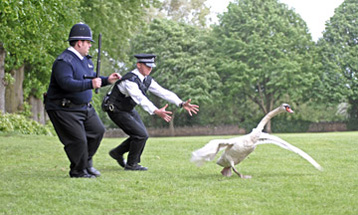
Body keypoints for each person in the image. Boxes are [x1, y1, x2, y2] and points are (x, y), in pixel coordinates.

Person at [44, 23, 121, 178]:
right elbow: (66, 83)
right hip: (63, 108)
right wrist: (90, 84)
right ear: (79, 43)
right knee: (78, 141)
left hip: (84, 107)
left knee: (97, 131)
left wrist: (107, 80)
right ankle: (78, 171)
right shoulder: (64, 61)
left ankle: (85, 164)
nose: (90, 46)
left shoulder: (85, 60)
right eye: (88, 43)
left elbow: (91, 78)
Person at [106, 54, 199, 171]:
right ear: (138, 65)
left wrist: (180, 103)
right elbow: (140, 98)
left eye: (151, 66)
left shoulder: (146, 79)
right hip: (116, 110)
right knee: (140, 135)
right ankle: (131, 164)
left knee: (142, 135)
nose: (150, 69)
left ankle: (117, 152)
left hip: (127, 109)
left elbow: (162, 92)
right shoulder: (130, 80)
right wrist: (155, 110)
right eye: (147, 66)